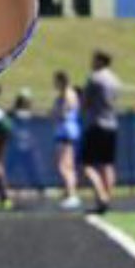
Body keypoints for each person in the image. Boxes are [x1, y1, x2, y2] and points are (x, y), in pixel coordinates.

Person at [81, 51, 121, 215]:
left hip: (96, 124)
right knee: (107, 164)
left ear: (100, 61)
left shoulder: (95, 78)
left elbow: (85, 102)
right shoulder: (115, 80)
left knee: (87, 166)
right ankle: (107, 199)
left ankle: (101, 196)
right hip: (111, 124)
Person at [50, 70, 81, 210]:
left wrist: (56, 112)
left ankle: (72, 195)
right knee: (68, 165)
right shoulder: (66, 94)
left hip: (66, 132)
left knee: (63, 166)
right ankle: (69, 193)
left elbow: (64, 112)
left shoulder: (68, 94)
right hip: (65, 132)